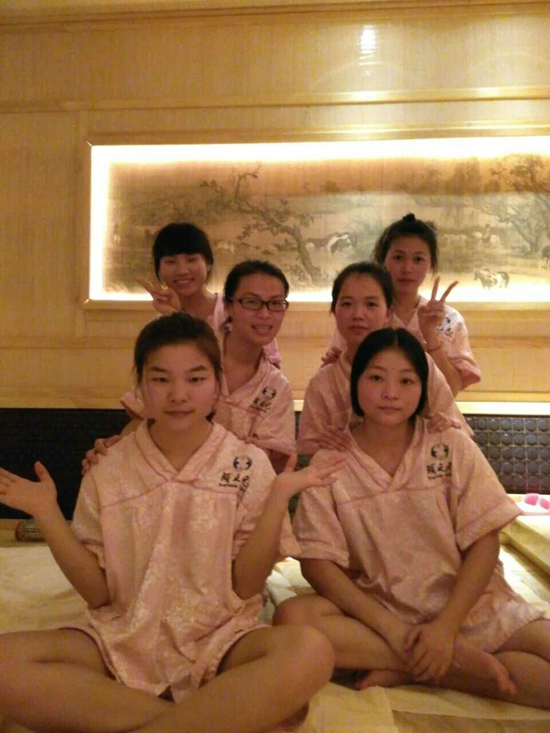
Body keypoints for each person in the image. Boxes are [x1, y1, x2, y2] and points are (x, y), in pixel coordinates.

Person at [0, 313, 339, 733]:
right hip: (120, 637)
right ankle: (217, 717)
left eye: (196, 379)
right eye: (161, 379)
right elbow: (99, 594)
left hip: (222, 641)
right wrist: (47, 514)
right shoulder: (108, 470)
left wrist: (277, 500)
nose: (179, 394)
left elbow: (246, 587)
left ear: (217, 386)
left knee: (311, 650)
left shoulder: (248, 465)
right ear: (140, 387)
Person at [276, 328, 550, 709]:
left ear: (423, 388)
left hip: (469, 605)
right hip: (383, 614)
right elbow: (317, 565)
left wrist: (446, 628)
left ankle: (414, 668)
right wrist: (396, 631)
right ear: (356, 384)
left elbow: (485, 539)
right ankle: (447, 664)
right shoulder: (331, 462)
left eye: (406, 381)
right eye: (376, 378)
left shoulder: (450, 445)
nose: (391, 392)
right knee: (292, 617)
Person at [100, 261, 295, 474]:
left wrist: (255, 455)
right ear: (228, 306)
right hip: (162, 473)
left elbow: (272, 464)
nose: (265, 314)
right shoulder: (193, 353)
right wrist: (113, 453)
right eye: (251, 302)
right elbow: (140, 421)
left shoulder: (277, 387)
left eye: (275, 303)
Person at [297, 261, 472, 456]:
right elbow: (306, 449)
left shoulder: (419, 364)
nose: (358, 315)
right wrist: (324, 442)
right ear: (334, 311)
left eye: (371, 304)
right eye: (347, 304)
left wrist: (447, 427)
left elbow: (458, 430)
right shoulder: (323, 382)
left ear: (389, 313)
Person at [327, 214, 480, 395]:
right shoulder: (361, 315)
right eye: (398, 257)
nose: (407, 268)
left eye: (418, 259)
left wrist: (430, 336)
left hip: (434, 413)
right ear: (383, 260)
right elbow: (340, 382)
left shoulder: (449, 319)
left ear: (431, 264)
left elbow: (451, 390)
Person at [137, 222, 281, 366]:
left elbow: (270, 367)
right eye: (170, 262)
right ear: (159, 269)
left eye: (191, 260)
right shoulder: (159, 326)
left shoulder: (236, 308)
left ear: (208, 263)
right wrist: (175, 317)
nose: (182, 270)